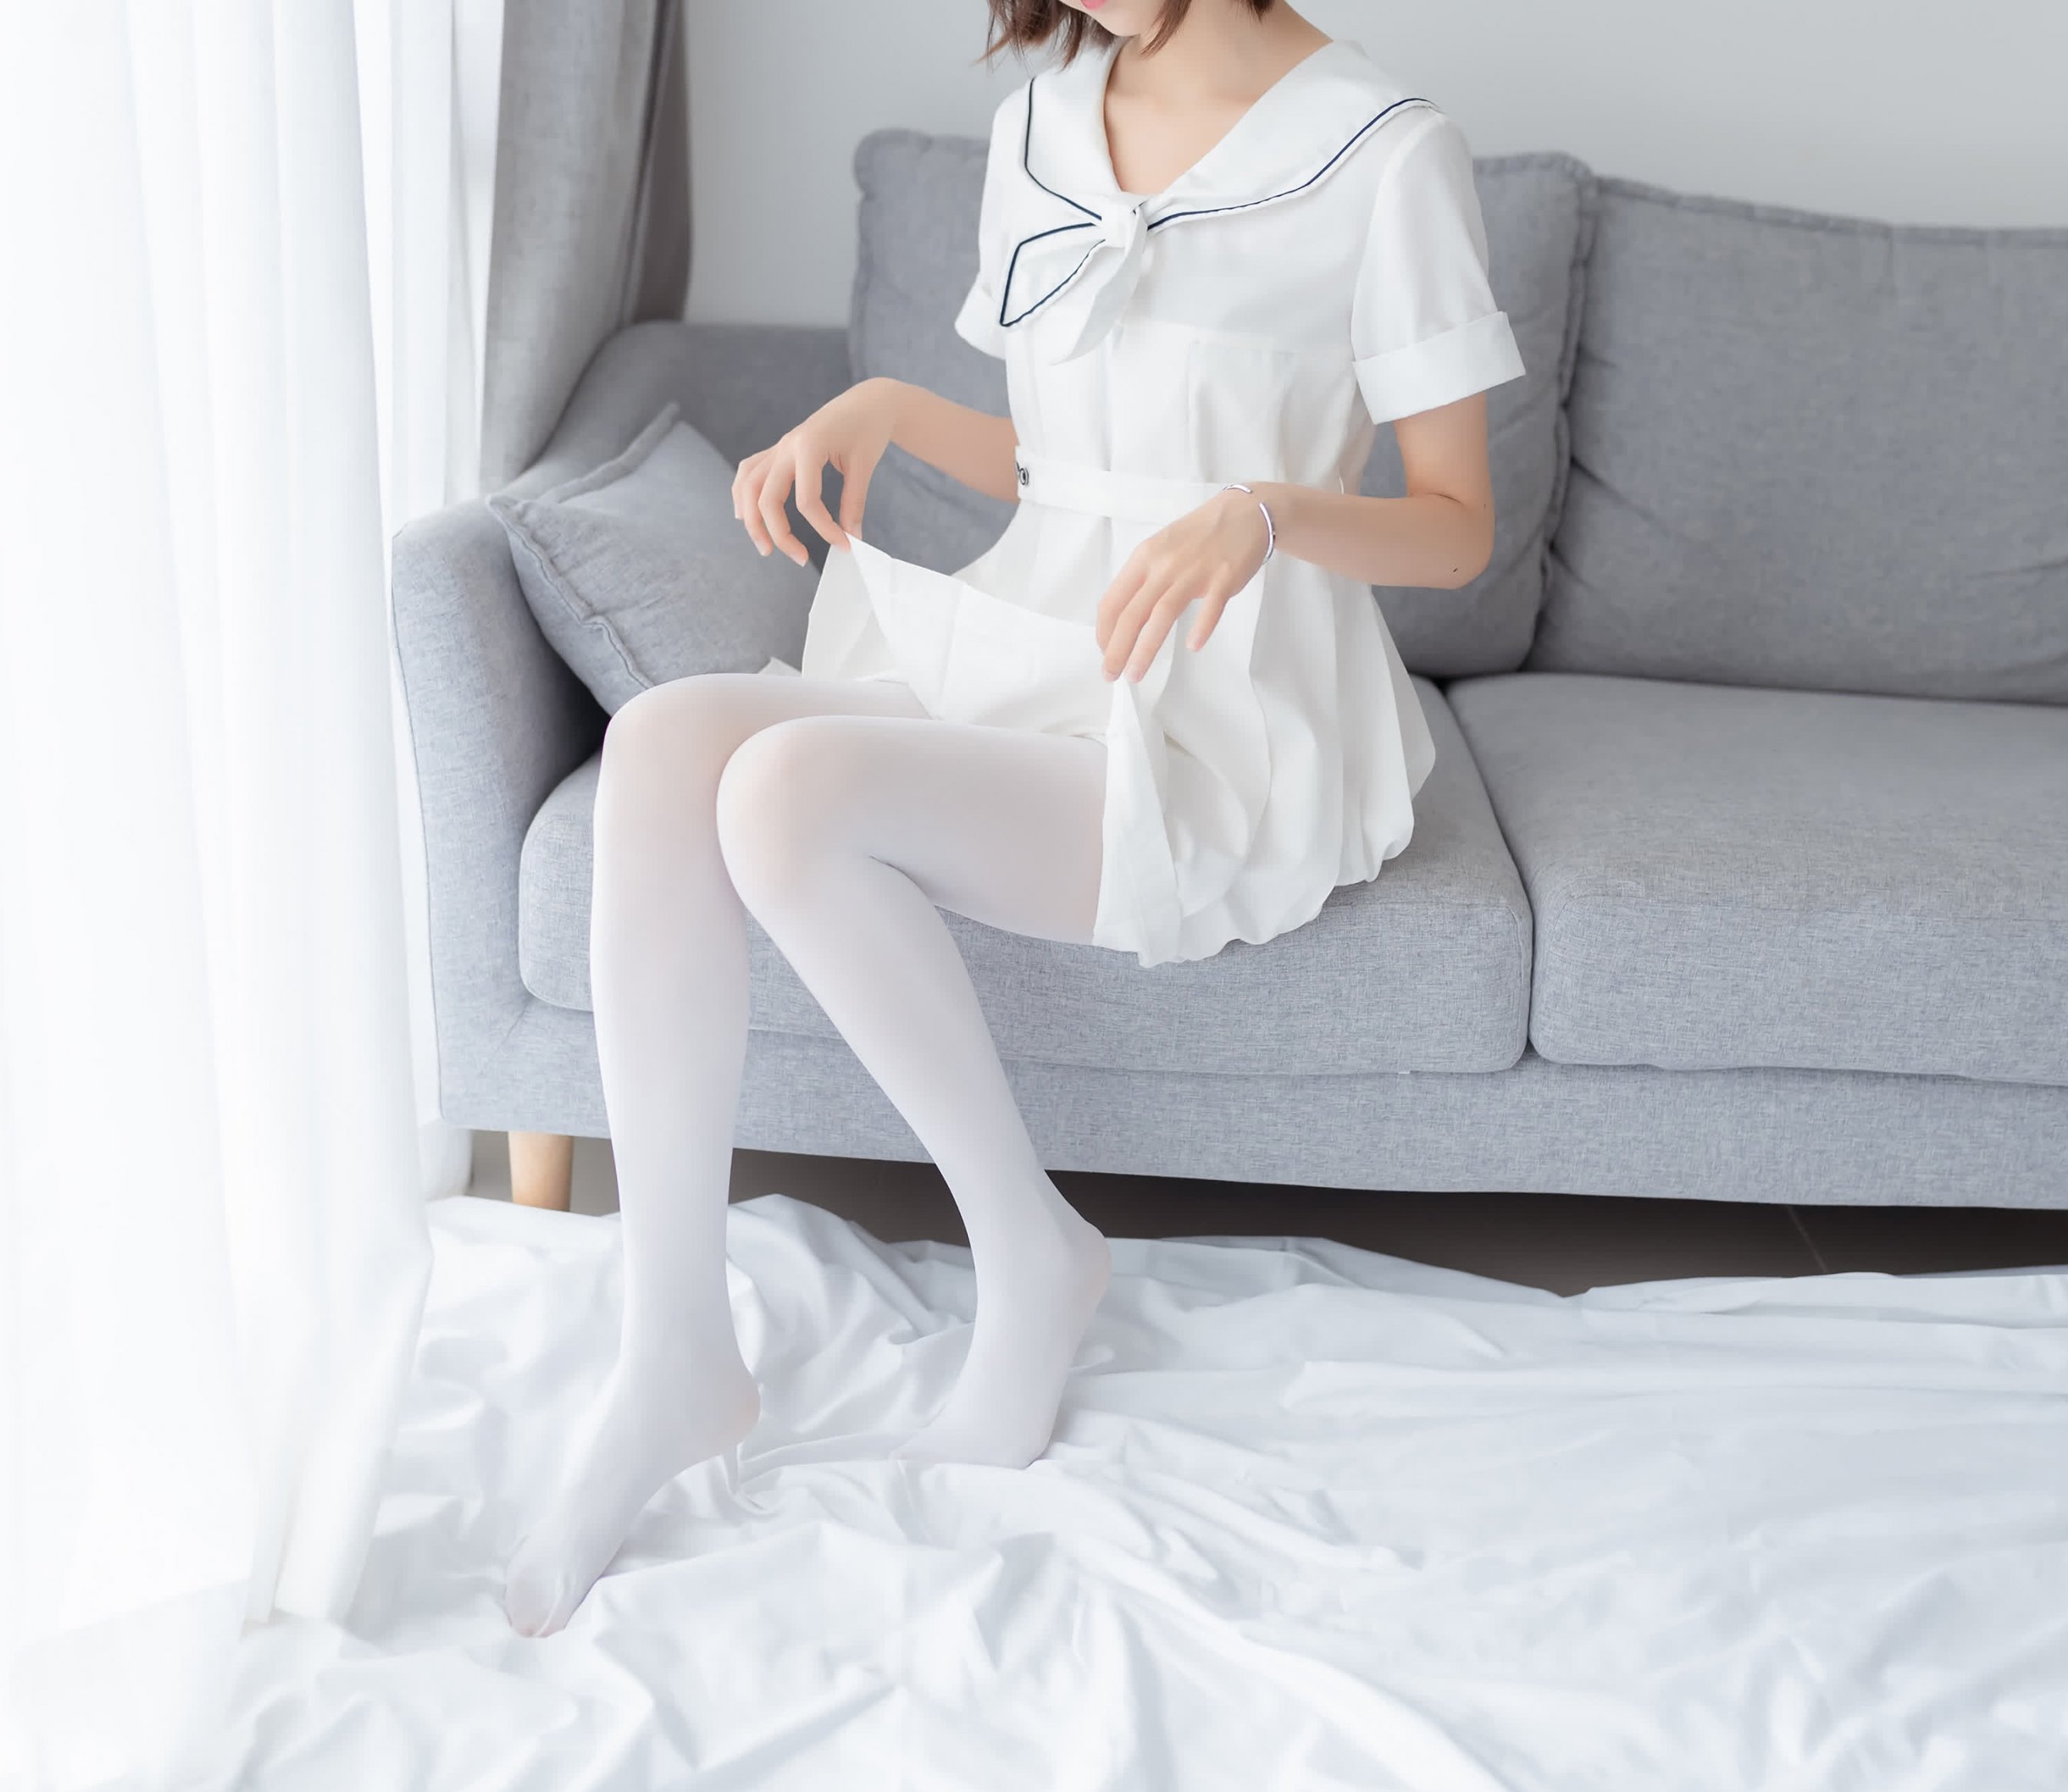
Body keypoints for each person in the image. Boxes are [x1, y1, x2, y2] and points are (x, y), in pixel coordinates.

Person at [503, 0, 1522, 1637]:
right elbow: (1068, 466)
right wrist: (892, 411)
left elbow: (1459, 525)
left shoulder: (1385, 154)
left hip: (1229, 704)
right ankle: (670, 1345)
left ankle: (1030, 1252)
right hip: (1044, 635)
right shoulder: (1046, 119)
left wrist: (1266, 516)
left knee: (784, 790)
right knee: (664, 744)